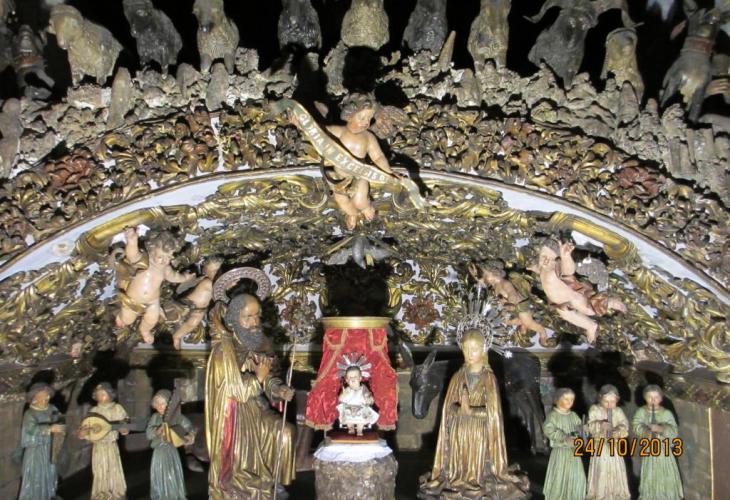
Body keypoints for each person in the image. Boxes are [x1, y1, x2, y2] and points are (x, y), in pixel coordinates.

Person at [205, 292, 296, 499]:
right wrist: (259, 379)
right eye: (248, 317)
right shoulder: (222, 352)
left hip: (257, 409)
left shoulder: (252, 344)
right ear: (233, 320)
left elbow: (266, 375)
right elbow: (236, 391)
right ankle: (245, 485)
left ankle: (274, 481)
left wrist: (279, 389)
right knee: (244, 457)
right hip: (234, 419)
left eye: (257, 316)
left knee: (285, 432)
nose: (255, 322)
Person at [420, 328, 528, 498]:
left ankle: (476, 480)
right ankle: (456, 478)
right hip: (459, 430)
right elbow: (448, 407)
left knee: (476, 462)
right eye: (466, 349)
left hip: (479, 432)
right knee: (458, 461)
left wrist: (471, 411)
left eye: (474, 349)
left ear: (483, 350)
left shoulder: (488, 378)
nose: (470, 354)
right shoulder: (458, 377)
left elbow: (494, 413)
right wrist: (458, 409)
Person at [529, 239, 626, 343]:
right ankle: (590, 326)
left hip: (573, 297)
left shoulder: (556, 268)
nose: (545, 261)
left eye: (550, 259)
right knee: (567, 315)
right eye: (543, 256)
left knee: (589, 311)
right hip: (558, 302)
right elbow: (539, 269)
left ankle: (610, 302)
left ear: (557, 259)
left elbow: (568, 271)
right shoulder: (542, 267)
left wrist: (566, 257)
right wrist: (532, 267)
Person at [115, 227, 194, 344]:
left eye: (168, 257)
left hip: (153, 301)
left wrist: (185, 278)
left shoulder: (165, 268)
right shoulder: (144, 261)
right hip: (133, 299)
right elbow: (132, 255)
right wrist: (132, 241)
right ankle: (121, 316)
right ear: (152, 251)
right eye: (160, 257)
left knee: (152, 319)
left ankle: (145, 330)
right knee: (127, 320)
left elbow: (174, 277)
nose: (164, 261)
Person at [78, 382, 129, 500]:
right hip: (98, 447)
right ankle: (101, 493)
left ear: (110, 394)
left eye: (103, 394)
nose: (100, 397)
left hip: (111, 445)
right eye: (98, 395)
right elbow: (86, 428)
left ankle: (116, 493)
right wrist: (83, 433)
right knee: (100, 469)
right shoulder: (94, 410)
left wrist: (124, 428)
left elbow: (125, 422)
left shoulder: (117, 408)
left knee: (113, 468)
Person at [631, 385, 683, 500]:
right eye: (650, 397)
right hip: (649, 450)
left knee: (666, 472)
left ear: (661, 398)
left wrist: (661, 429)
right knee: (650, 472)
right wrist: (645, 431)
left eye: (656, 397)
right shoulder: (641, 412)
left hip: (664, 451)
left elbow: (674, 431)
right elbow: (636, 425)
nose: (653, 400)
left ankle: (667, 495)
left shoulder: (666, 413)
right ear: (645, 398)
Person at [17, 383, 66, 500]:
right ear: (34, 398)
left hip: (50, 449)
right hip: (36, 451)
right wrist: (49, 428)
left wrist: (60, 425)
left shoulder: (52, 408)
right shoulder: (30, 414)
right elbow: (31, 429)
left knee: (50, 474)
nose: (46, 398)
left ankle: (49, 495)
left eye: (47, 396)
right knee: (36, 477)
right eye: (42, 396)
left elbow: (60, 421)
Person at [146, 389, 195, 500]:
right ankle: (161, 495)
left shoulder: (177, 417)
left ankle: (172, 495)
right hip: (158, 451)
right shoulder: (155, 417)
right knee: (159, 473)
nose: (160, 406)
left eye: (163, 403)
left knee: (171, 473)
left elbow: (189, 427)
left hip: (171, 450)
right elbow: (148, 433)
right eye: (157, 403)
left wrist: (188, 437)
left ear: (169, 405)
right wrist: (157, 431)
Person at [586, 384, 630, 500]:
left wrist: (617, 430)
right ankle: (601, 494)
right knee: (601, 469)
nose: (610, 405)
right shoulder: (595, 409)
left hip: (614, 447)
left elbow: (624, 424)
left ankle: (616, 493)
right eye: (606, 401)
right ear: (600, 398)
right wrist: (600, 424)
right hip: (600, 446)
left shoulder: (618, 411)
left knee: (616, 468)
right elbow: (590, 425)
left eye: (613, 402)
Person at [542, 388, 586, 500]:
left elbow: (579, 426)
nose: (570, 402)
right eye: (566, 399)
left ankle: (574, 495)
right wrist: (564, 437)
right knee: (560, 475)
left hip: (573, 452)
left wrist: (582, 428)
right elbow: (548, 429)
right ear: (557, 400)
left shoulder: (573, 415)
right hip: (560, 452)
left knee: (576, 475)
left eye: (572, 399)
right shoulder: (553, 415)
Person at [337, 365, 379, 435]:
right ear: (347, 380)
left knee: (361, 419)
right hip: (349, 408)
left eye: (355, 377)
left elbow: (368, 395)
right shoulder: (347, 389)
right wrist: (343, 395)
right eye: (350, 377)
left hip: (361, 407)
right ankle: (351, 428)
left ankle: (359, 430)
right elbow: (340, 399)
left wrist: (369, 398)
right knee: (348, 418)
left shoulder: (363, 388)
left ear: (360, 378)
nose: (353, 379)